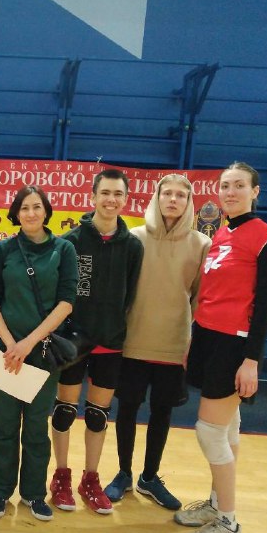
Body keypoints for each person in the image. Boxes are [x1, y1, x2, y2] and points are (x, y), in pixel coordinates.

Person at [174, 162, 267, 533]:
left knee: (209, 431)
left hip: (234, 344)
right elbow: (210, 294)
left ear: (256, 191)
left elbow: (265, 306)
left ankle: (229, 525)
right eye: (225, 186)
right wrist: (194, 338)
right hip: (207, 336)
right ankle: (216, 503)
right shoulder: (222, 232)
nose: (231, 192)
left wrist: (251, 360)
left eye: (239, 185)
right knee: (228, 427)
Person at [103, 174, 211, 510]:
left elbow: (199, 299)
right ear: (157, 197)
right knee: (127, 408)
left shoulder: (201, 244)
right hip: (134, 340)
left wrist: (192, 340)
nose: (173, 200)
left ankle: (149, 477)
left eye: (181, 195)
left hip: (173, 345)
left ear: (189, 202)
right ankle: (123, 473)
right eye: (168, 194)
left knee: (162, 412)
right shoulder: (134, 238)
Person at [50, 169, 143, 515]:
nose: (111, 200)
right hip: (73, 341)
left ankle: (90, 479)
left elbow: (130, 295)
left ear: (125, 200)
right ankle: (60, 477)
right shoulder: (71, 241)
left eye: (118, 194)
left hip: (111, 341)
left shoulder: (133, 246)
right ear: (93, 197)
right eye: (105, 193)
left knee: (97, 416)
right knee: (64, 411)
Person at [0, 185, 77, 521]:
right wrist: (11, 344)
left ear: (46, 211)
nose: (31, 213)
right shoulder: (3, 249)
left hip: (42, 353)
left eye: (37, 207)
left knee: (37, 427)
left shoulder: (64, 249)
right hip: (7, 354)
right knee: (4, 425)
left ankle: (34, 494)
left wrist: (29, 343)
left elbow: (66, 302)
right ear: (16, 213)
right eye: (24, 208)